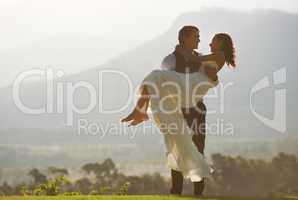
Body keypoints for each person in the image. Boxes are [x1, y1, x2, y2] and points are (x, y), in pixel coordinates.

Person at [121, 26, 236, 196]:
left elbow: (209, 69)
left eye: (201, 37)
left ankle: (198, 191)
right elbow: (167, 83)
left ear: (220, 43)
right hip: (178, 100)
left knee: (198, 146)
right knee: (176, 143)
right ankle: (176, 190)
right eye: (196, 37)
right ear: (185, 38)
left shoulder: (205, 56)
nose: (200, 40)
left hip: (194, 102)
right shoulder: (170, 59)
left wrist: (209, 72)